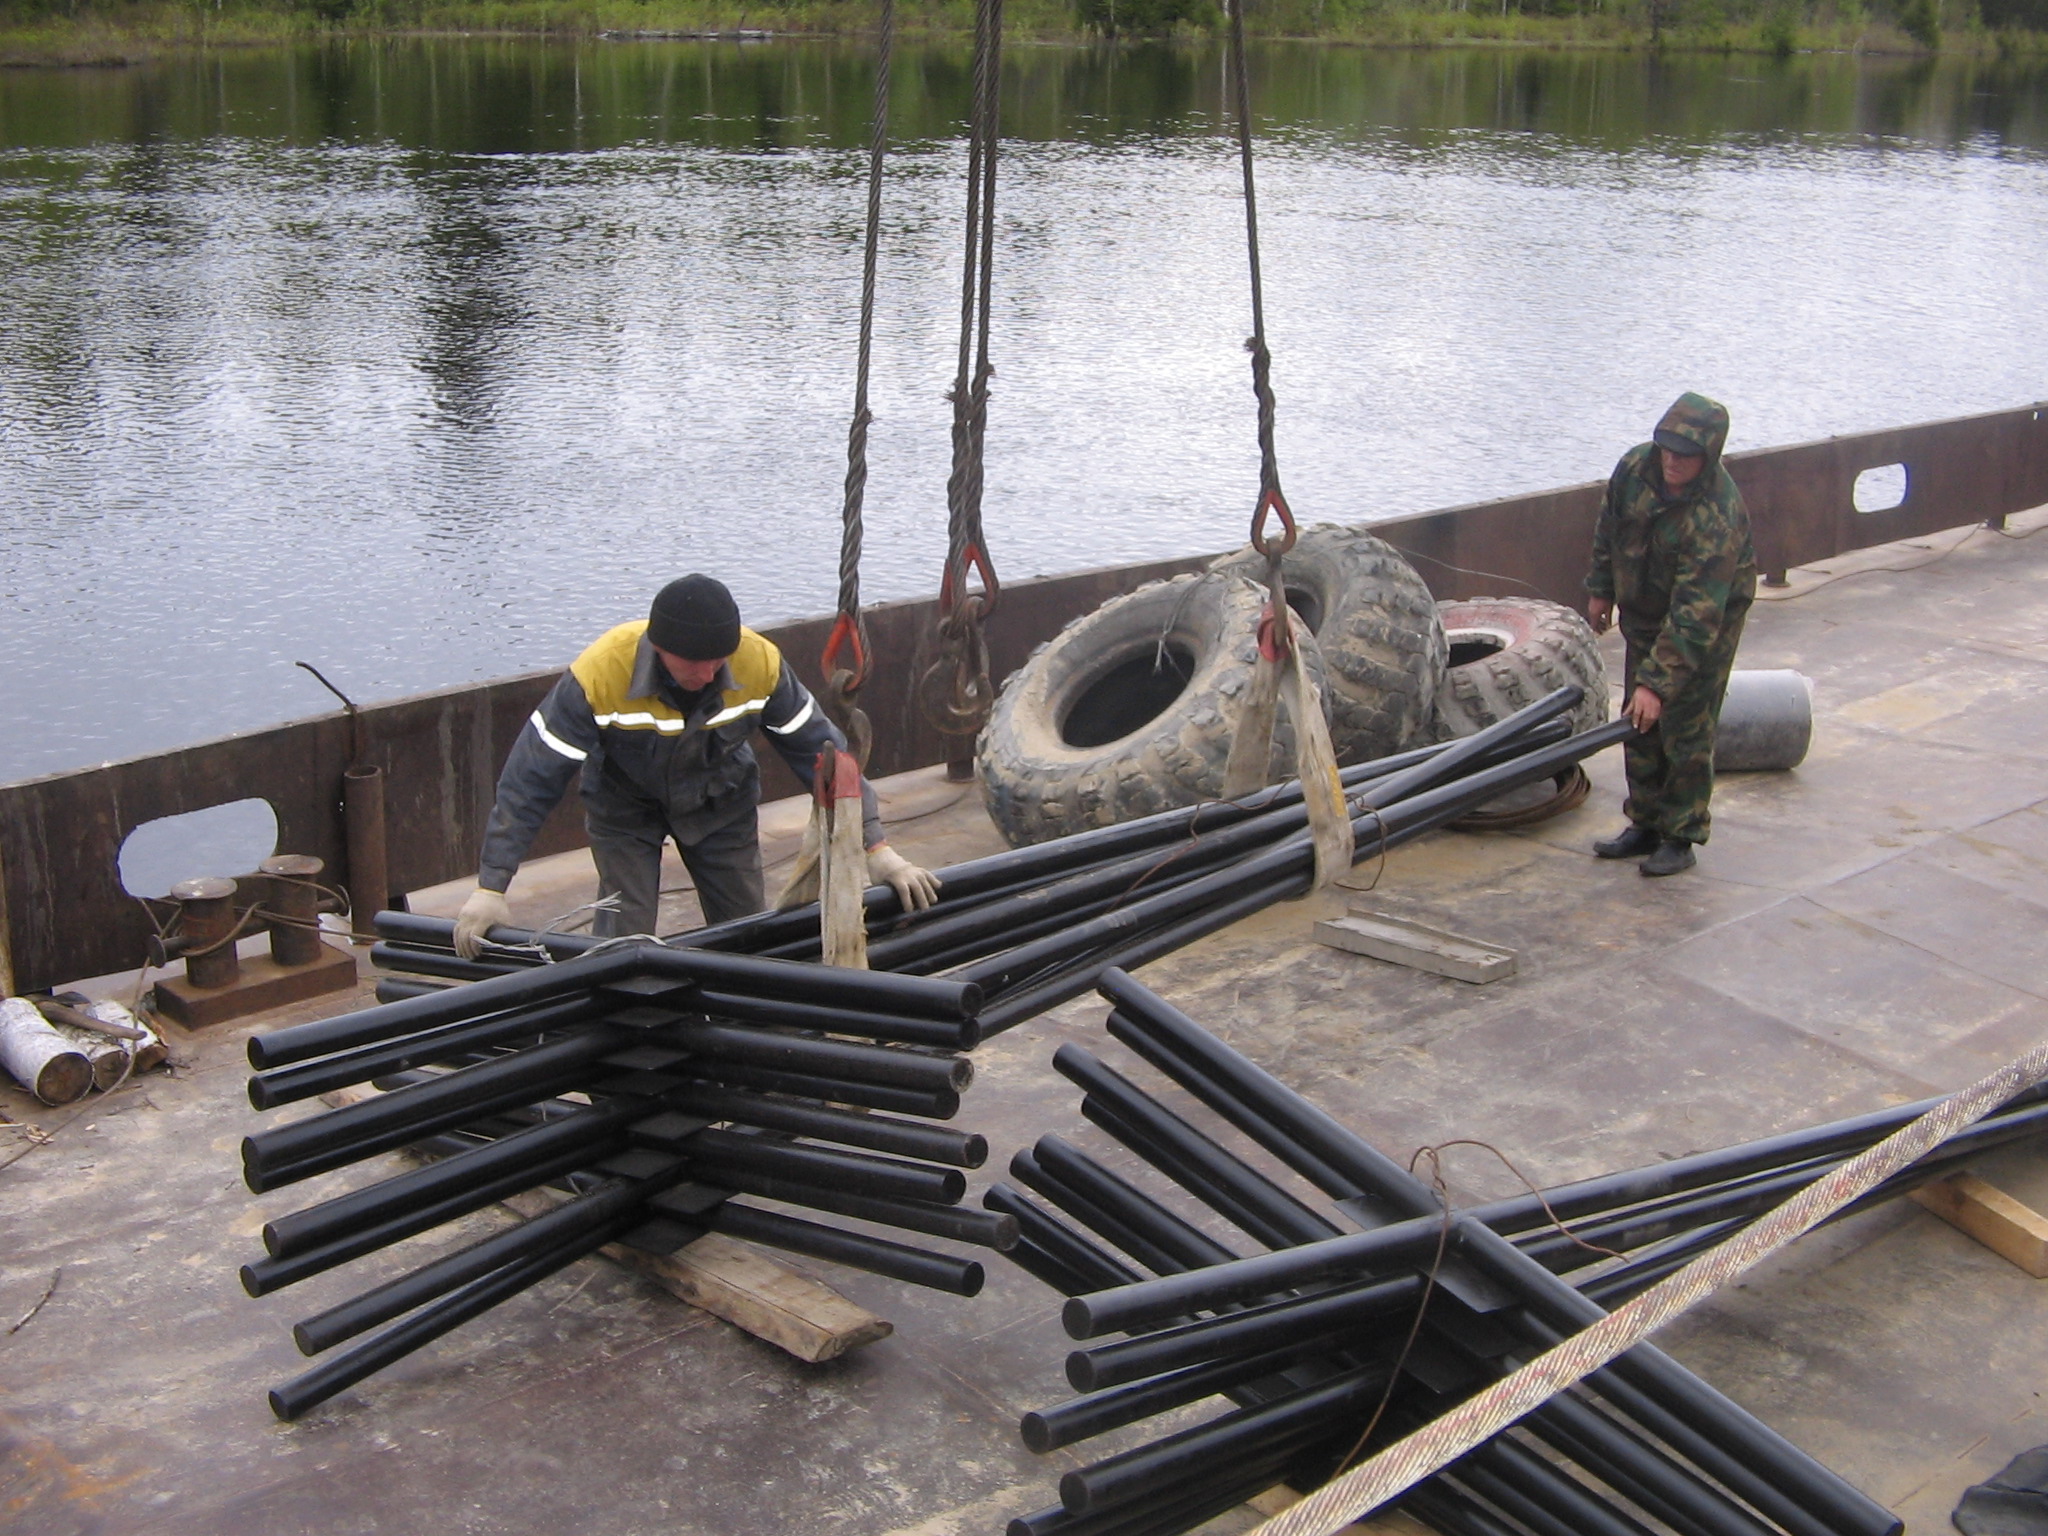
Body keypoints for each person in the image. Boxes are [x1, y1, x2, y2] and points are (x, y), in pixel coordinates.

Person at [452, 575, 939, 956]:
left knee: (747, 932)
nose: (707, 674)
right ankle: (624, 1033)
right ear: (658, 647)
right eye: (692, 663)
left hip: (721, 803)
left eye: (717, 661)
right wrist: (491, 885)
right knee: (623, 938)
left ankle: (746, 1028)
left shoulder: (757, 662)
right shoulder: (602, 673)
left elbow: (824, 753)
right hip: (625, 809)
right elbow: (529, 779)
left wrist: (876, 847)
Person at [1584, 392, 1756, 878]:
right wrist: (1601, 589)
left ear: (1708, 456)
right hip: (1644, 608)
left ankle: (1681, 834)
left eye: (1685, 453)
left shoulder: (1716, 515)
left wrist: (1656, 684)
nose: (1672, 461)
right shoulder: (1636, 469)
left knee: (1685, 725)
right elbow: (1608, 526)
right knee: (1638, 724)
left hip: (1704, 624)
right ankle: (1644, 821)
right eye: (1667, 449)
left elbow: (1696, 614)